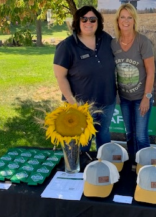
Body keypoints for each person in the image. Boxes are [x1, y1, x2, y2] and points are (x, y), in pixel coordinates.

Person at [53, 6, 116, 152]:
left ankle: (105, 168)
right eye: (84, 19)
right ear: (78, 21)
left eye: (93, 19)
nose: (89, 23)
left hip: (107, 101)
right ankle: (81, 171)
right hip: (80, 106)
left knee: (104, 134)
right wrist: (73, 103)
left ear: (98, 22)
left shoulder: (105, 39)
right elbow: (60, 76)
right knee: (82, 142)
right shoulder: (67, 46)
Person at [111, 3, 155, 155]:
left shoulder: (142, 42)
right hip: (124, 99)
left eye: (129, 17)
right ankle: (132, 164)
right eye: (122, 17)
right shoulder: (113, 43)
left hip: (141, 97)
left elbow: (150, 72)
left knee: (141, 136)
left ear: (134, 20)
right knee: (129, 134)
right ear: (118, 20)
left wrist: (146, 98)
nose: (126, 21)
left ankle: (144, 169)